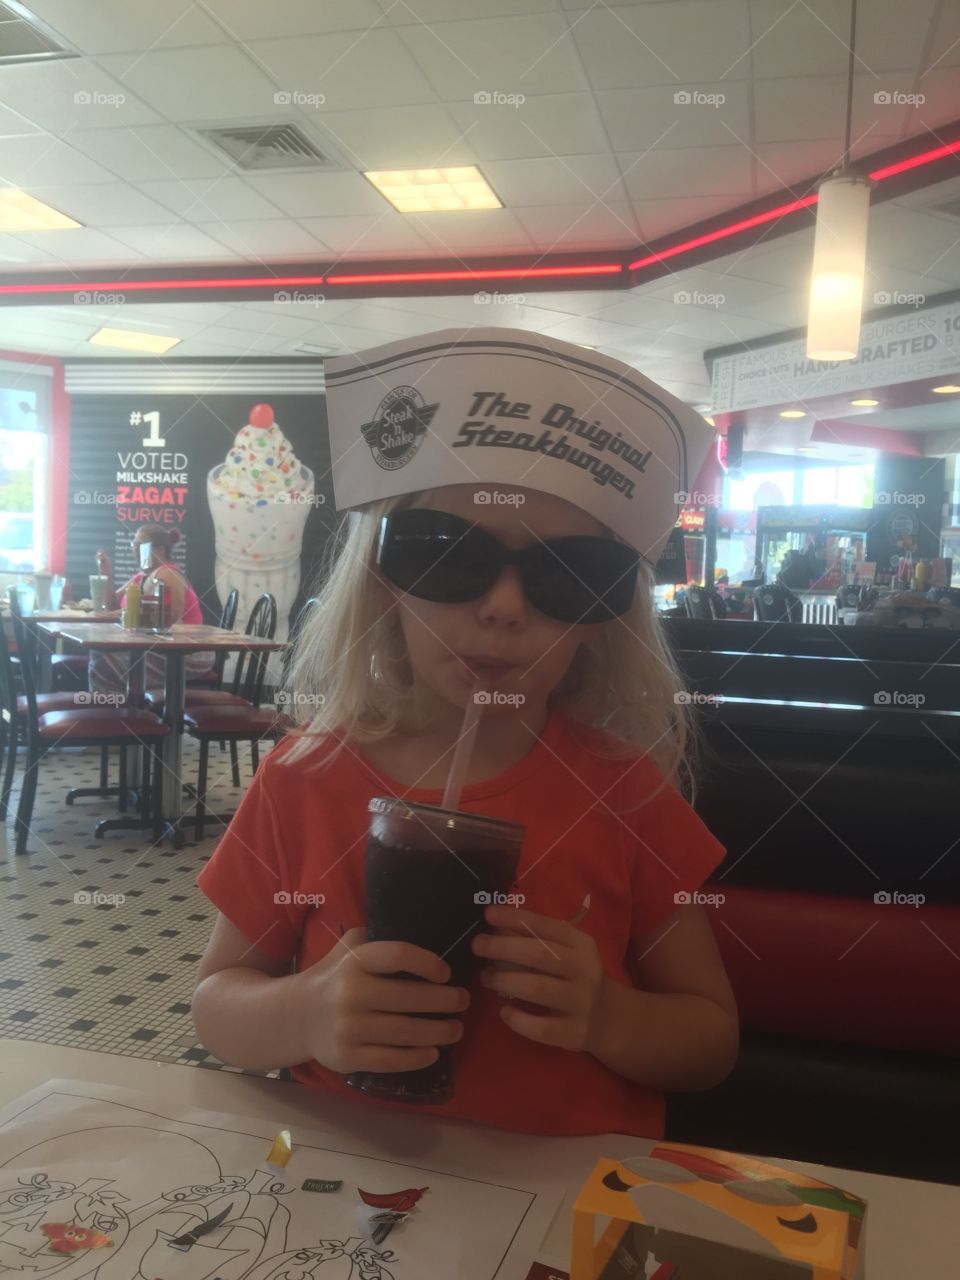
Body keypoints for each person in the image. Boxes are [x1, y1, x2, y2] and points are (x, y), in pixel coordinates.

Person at [191, 329, 739, 1138]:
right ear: (383, 584)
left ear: (604, 620)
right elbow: (217, 1003)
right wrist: (304, 1014)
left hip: (563, 1204)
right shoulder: (302, 782)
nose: (505, 608)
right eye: (447, 557)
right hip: (352, 1184)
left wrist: (606, 1016)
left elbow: (710, 1041)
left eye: (569, 575)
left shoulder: (628, 797)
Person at [90, 525, 213, 695]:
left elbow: (170, 618)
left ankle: (122, 716)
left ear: (159, 550)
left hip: (187, 653)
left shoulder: (167, 573)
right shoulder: (141, 576)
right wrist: (106, 572)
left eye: (139, 545)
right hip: (159, 648)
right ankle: (126, 713)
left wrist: (117, 615)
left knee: (104, 664)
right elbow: (112, 606)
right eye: (133, 544)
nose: (134, 549)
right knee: (99, 654)